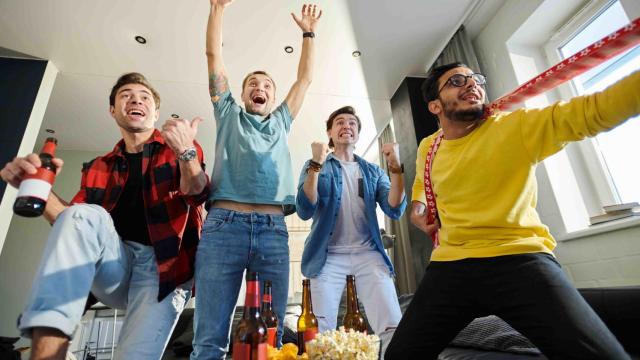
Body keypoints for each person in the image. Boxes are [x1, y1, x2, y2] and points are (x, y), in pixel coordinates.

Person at [384, 62, 638, 359]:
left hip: (519, 259)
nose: (472, 84)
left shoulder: (515, 126)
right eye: (456, 80)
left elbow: (592, 110)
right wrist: (419, 207)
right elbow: (422, 186)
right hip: (450, 266)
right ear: (435, 106)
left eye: (475, 79)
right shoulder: (430, 145)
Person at [0, 72, 209, 360]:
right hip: (116, 263)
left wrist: (186, 152)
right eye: (126, 95)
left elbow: (197, 192)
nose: (136, 99)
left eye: (144, 97)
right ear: (113, 110)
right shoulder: (100, 166)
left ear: (156, 112)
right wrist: (37, 189)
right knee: (84, 214)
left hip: (162, 273)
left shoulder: (180, 148)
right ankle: (48, 350)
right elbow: (72, 221)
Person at [191, 1, 322, 358]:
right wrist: (218, 8)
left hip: (272, 230)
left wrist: (308, 33)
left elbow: (305, 79)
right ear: (243, 93)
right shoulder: (228, 112)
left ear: (274, 98)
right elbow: (212, 56)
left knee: (271, 340)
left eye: (265, 84)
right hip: (223, 228)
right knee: (209, 340)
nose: (258, 87)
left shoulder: (281, 120)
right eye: (252, 83)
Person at [296, 106, 406, 337]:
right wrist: (316, 163)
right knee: (319, 332)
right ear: (330, 132)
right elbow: (306, 209)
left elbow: (394, 208)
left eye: (352, 123)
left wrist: (396, 167)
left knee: (392, 325)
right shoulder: (315, 165)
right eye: (340, 122)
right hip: (327, 256)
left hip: (368, 253)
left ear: (357, 133)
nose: (347, 125)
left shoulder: (373, 171)